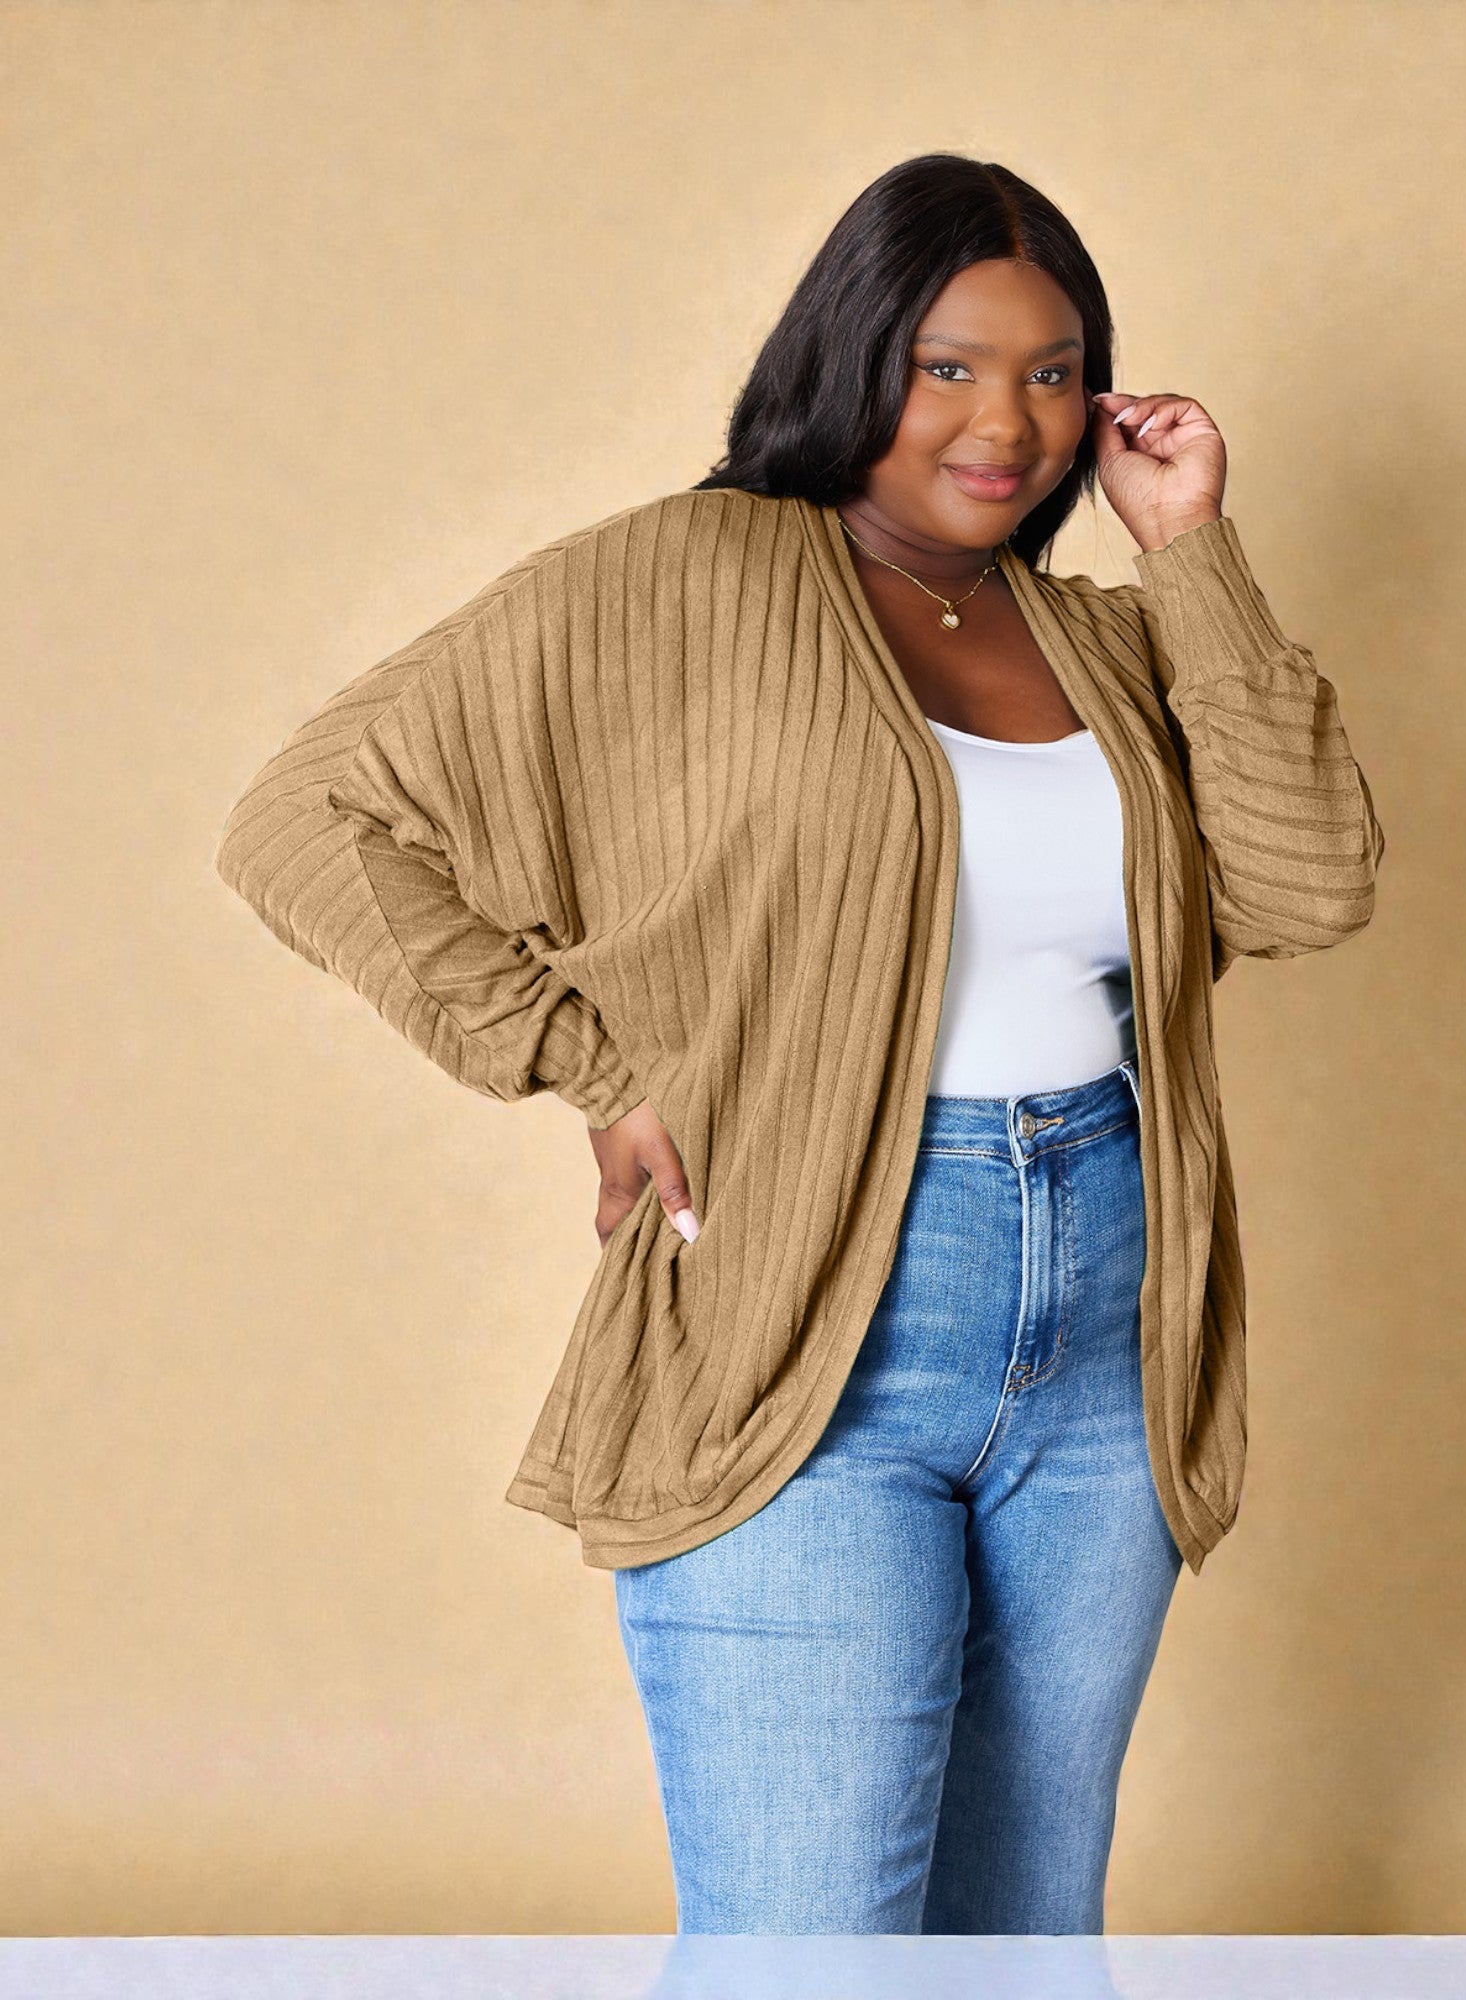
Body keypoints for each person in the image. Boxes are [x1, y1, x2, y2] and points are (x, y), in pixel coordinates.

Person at [214, 153, 1385, 1935]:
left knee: (1026, 1934)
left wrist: (1193, 548)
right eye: (949, 366)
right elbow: (307, 820)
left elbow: (1307, 882)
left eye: (1055, 372)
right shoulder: (679, 577)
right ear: (852, 360)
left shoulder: (1105, 637)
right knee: (810, 1943)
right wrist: (587, 1064)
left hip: (1106, 1324)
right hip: (811, 1308)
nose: (1008, 423)